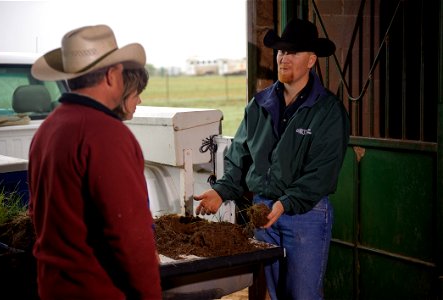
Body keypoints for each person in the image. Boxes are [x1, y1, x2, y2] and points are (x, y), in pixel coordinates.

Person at [194, 18, 350, 299]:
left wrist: (286, 203)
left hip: (305, 214)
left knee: (302, 296)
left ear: (312, 59)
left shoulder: (327, 111)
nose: (284, 58)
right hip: (262, 211)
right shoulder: (259, 104)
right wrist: (221, 190)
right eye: (281, 51)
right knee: (273, 294)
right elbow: (239, 157)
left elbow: (322, 174)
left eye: (293, 52)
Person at [28, 25, 162, 299]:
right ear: (113, 75)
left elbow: (35, 212)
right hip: (97, 289)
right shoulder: (106, 134)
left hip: (53, 287)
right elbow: (130, 237)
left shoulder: (48, 128)